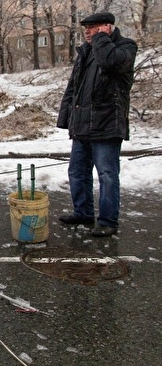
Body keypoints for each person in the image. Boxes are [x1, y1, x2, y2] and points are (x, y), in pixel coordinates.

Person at [56, 12, 138, 237]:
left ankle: (108, 221)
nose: (87, 31)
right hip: (83, 124)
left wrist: (102, 40)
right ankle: (83, 212)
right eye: (86, 28)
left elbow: (110, 63)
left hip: (108, 123)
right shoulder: (86, 52)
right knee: (77, 172)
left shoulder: (126, 47)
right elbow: (74, 87)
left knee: (107, 175)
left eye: (93, 27)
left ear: (107, 27)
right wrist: (66, 118)